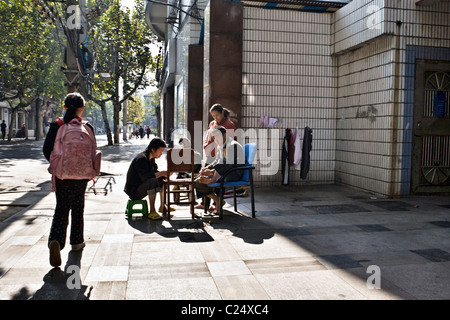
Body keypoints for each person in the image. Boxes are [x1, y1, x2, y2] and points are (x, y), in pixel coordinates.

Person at [43, 92, 95, 267]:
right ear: (82, 109)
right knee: (78, 207)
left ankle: (56, 241)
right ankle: (77, 242)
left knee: (62, 207)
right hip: (82, 175)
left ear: (65, 107)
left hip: (62, 175)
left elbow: (47, 150)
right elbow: (93, 153)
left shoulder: (57, 126)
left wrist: (57, 166)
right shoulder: (87, 126)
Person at [195, 126, 246, 214]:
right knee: (198, 182)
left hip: (234, 173)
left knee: (221, 165)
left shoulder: (233, 145)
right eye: (214, 137)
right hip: (222, 173)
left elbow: (229, 164)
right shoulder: (220, 146)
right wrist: (208, 168)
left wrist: (212, 172)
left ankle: (212, 180)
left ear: (224, 135)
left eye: (217, 136)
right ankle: (218, 201)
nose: (215, 139)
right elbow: (216, 161)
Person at [124, 137, 168, 220]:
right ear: (152, 149)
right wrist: (162, 173)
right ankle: (152, 211)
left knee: (162, 180)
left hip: (141, 186)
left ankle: (162, 206)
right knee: (152, 181)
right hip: (134, 190)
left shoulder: (150, 159)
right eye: (160, 151)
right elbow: (147, 177)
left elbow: (154, 172)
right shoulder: (141, 159)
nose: (161, 154)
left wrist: (164, 175)